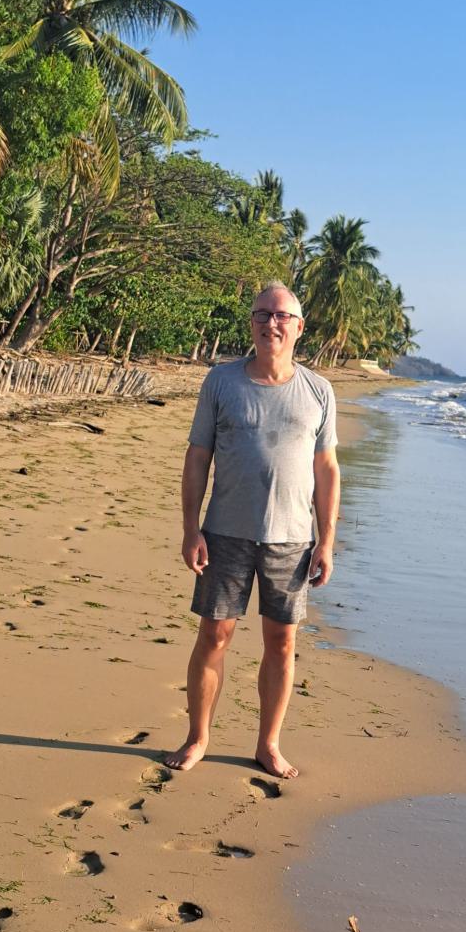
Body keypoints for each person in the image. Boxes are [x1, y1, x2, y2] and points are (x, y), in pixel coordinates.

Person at [163, 282, 340, 777]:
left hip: (292, 539)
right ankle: (198, 738)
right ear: (252, 324)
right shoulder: (220, 382)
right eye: (262, 315)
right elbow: (198, 457)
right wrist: (190, 528)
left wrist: (326, 540)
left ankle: (268, 744)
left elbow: (327, 470)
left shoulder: (318, 391)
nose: (272, 324)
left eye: (282, 316)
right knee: (214, 636)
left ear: (299, 328)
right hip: (224, 534)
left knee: (281, 643)